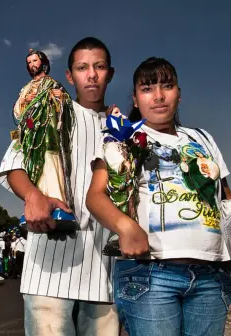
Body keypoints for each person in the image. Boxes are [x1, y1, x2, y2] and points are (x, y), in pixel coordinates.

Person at [87, 57, 231, 336]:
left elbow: (224, 196)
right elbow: (95, 196)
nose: (159, 96)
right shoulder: (122, 136)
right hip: (151, 272)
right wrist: (126, 226)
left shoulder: (202, 138)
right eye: (148, 88)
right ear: (136, 98)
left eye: (167, 86)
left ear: (179, 93)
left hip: (212, 274)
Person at [0, 37, 119, 336]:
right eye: (82, 67)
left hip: (105, 272)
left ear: (110, 73)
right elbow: (14, 164)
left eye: (99, 67)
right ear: (69, 75)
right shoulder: (50, 107)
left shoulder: (123, 126)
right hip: (49, 269)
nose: (91, 75)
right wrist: (33, 194)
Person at [11, 48, 77, 229]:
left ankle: (58, 201)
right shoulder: (25, 88)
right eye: (29, 62)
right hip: (31, 135)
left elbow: (68, 105)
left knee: (50, 160)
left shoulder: (51, 83)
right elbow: (17, 111)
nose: (32, 64)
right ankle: (35, 204)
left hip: (48, 131)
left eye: (35, 61)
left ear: (43, 62)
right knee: (32, 167)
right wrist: (26, 101)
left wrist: (59, 98)